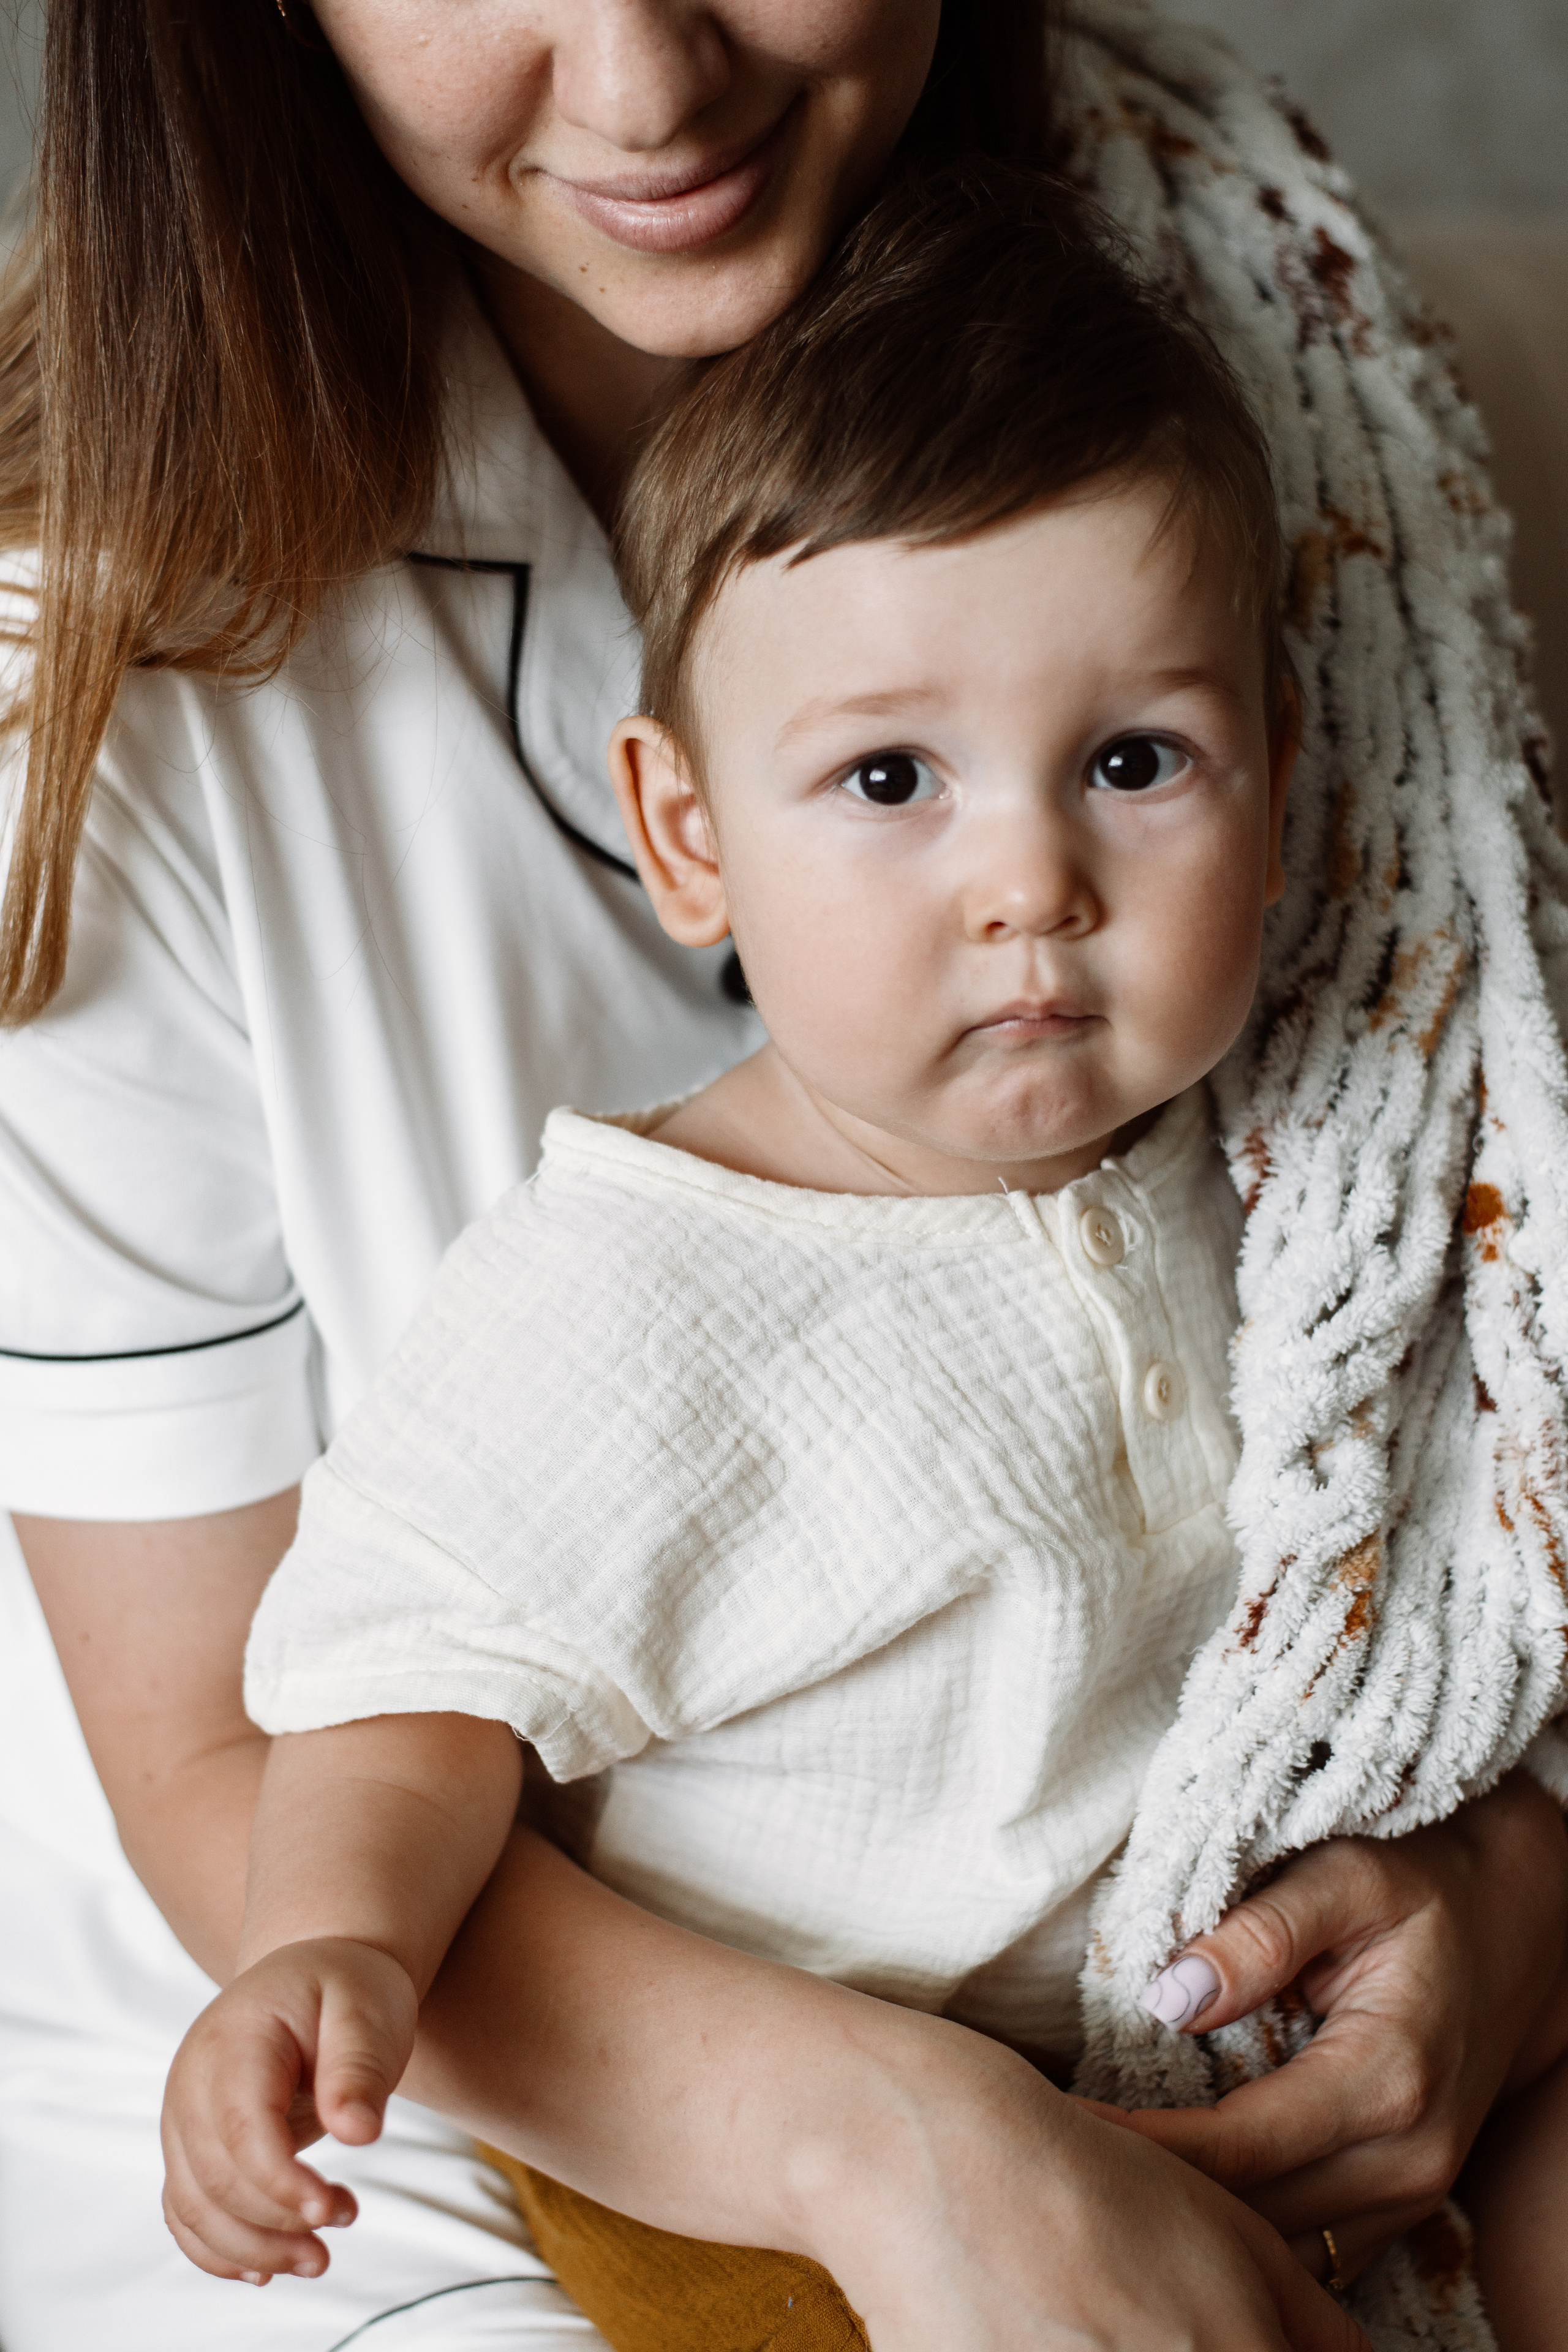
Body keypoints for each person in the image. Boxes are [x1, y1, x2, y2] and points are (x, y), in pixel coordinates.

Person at [2, 7, 1566, 2351]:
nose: (644, 77)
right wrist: (904, 2148)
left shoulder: (1238, 355)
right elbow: (318, 1723)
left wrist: (1513, 1880)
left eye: (1137, 757)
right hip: (493, 2093)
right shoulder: (625, 1271)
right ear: (686, 824)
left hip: (1178, 1982)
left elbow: (1455, 1456)